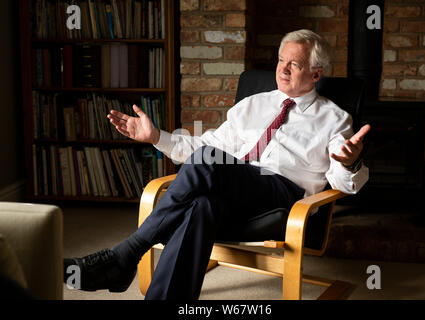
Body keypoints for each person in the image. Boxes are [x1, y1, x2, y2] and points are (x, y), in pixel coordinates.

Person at [64, 29, 370, 299]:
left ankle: (125, 255)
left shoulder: (334, 119)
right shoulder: (253, 104)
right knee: (202, 206)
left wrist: (350, 163)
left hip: (283, 195)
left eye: (295, 63)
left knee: (206, 164)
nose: (283, 68)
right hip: (235, 188)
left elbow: (344, 183)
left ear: (316, 74)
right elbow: (206, 146)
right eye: (281, 60)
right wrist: (156, 136)